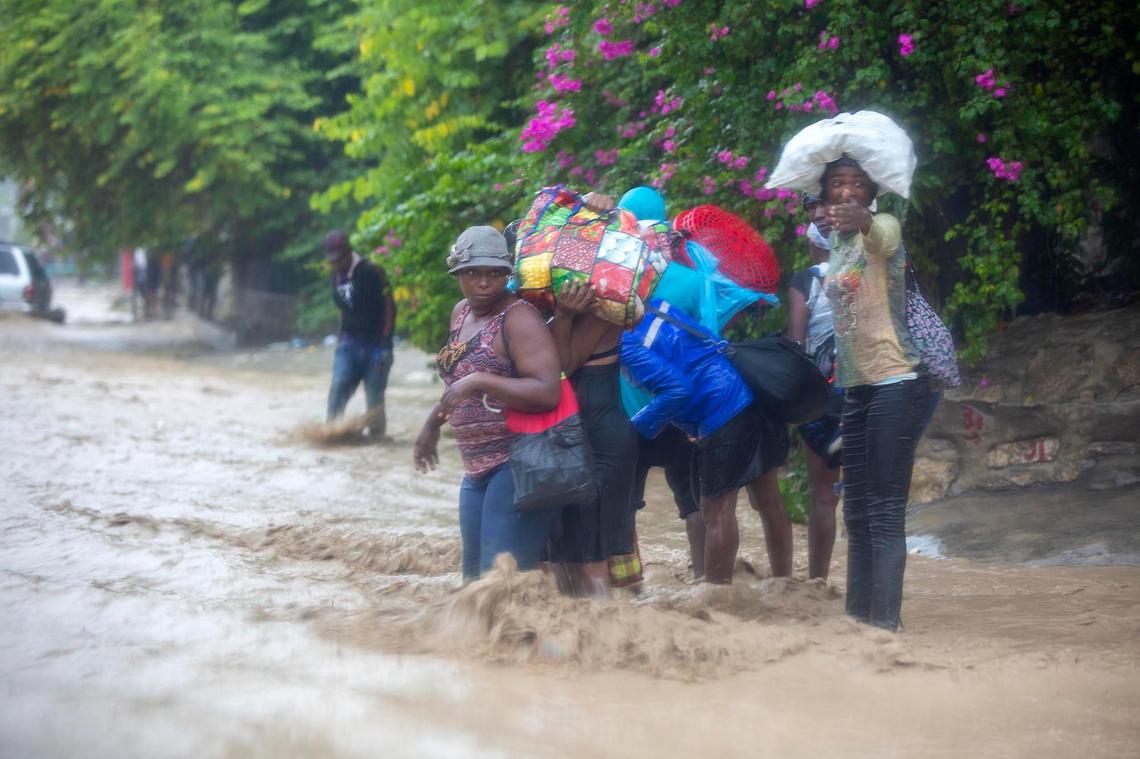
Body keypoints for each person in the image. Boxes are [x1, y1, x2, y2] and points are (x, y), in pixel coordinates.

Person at [413, 226, 563, 580]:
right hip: (476, 468)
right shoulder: (461, 313)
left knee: (498, 583)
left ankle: (537, 636)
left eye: (494, 273)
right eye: (473, 273)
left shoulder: (519, 318)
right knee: (472, 584)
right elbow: (457, 382)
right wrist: (432, 425)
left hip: (517, 463)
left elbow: (547, 390)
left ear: (507, 275)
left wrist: (482, 380)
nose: (483, 282)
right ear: (458, 274)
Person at [822, 155, 932, 631]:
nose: (847, 192)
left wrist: (866, 219)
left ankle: (885, 630)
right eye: (837, 184)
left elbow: (883, 236)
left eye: (857, 184)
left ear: (871, 193)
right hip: (857, 387)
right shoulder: (835, 240)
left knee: (885, 513)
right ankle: (855, 625)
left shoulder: (880, 225)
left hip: (895, 380)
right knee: (857, 511)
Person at [621, 298, 793, 585]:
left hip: (722, 409)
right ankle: (785, 585)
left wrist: (634, 429)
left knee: (716, 509)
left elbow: (677, 389)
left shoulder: (624, 342)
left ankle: (717, 597)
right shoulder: (659, 305)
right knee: (769, 500)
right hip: (750, 391)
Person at [786, 193, 842, 580]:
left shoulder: (805, 281)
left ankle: (818, 581)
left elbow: (795, 345)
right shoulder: (868, 266)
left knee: (824, 497)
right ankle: (868, 590)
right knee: (866, 497)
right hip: (867, 393)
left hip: (821, 398)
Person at [323, 230, 397, 437]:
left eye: (339, 259)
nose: (336, 264)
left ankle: (377, 440)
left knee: (374, 398)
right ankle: (330, 434)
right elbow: (345, 310)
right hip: (349, 344)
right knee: (338, 387)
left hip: (377, 346)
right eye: (332, 261)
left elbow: (390, 307)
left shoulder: (372, 271)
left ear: (348, 252)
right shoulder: (335, 276)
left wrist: (384, 345)